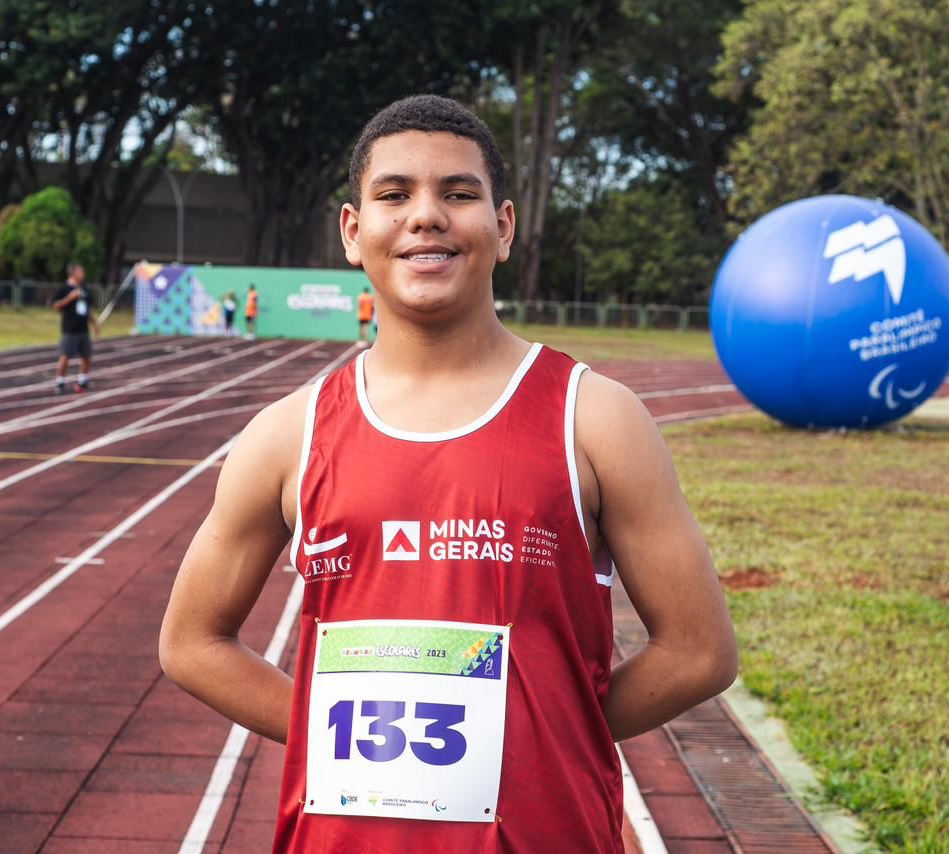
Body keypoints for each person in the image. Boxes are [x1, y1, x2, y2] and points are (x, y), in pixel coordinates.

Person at [159, 95, 736, 852]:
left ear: (502, 226)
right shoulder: (287, 435)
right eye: (394, 195)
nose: (425, 216)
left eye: (457, 194)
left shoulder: (593, 418)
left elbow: (700, 650)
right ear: (352, 230)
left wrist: (543, 730)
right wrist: (330, 727)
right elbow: (191, 642)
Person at [51, 262, 100, 394]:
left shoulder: (85, 289)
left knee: (86, 355)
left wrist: (94, 324)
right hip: (69, 329)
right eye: (80, 271)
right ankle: (60, 382)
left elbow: (88, 309)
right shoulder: (64, 288)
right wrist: (69, 298)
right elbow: (55, 306)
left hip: (83, 328)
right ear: (73, 273)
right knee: (65, 356)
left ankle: (83, 380)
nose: (83, 274)